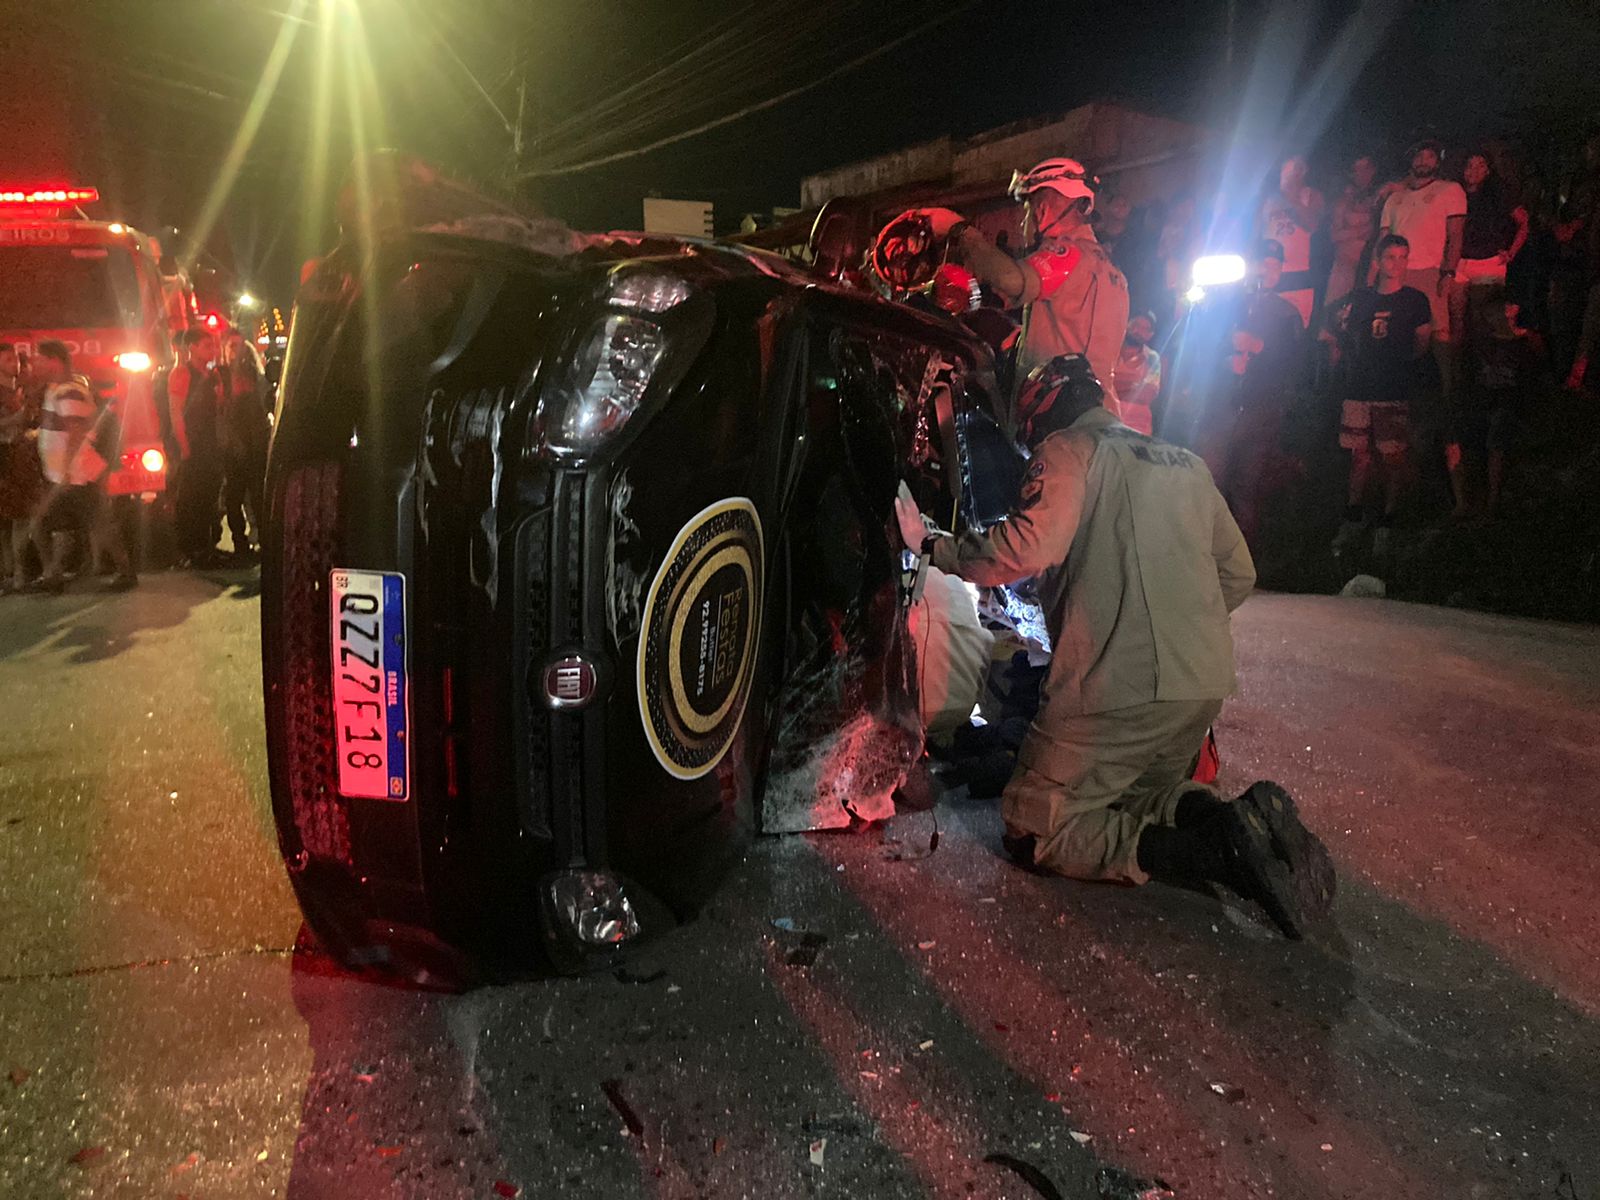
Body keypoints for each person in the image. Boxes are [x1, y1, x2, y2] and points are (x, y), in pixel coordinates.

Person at [895, 353, 1334, 939]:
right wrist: (1183, 629)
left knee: (1033, 828)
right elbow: (1239, 575)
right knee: (1136, 796)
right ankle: (1237, 822)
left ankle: (1217, 856)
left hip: (1114, 692)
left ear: (1040, 415)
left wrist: (931, 545)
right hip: (1200, 689)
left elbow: (1019, 551)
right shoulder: (1187, 462)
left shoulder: (1069, 453)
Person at [899, 158, 1132, 407]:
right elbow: (1070, 334)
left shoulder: (1068, 253)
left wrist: (958, 229)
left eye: (1028, 210)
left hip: (1059, 419)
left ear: (1042, 210)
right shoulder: (1109, 267)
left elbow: (1010, 279)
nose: (1023, 222)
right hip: (1096, 410)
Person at [1195, 240, 1304, 546]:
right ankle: (1201, 555)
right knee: (1209, 482)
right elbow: (1199, 348)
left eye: (1274, 265)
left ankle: (1239, 565)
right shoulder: (1226, 304)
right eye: (1262, 263)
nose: (1267, 270)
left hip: (1261, 411)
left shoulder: (1287, 314)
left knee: (1247, 489)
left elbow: (1294, 364)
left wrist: (1261, 349)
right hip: (1221, 409)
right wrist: (1224, 357)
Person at [1333, 235, 1433, 556]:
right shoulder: (1360, 298)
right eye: (1390, 257)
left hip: (1393, 389)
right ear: (1378, 260)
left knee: (1393, 457)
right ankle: (1353, 517)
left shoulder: (1415, 300)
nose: (1397, 264)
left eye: (1403, 257)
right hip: (1360, 389)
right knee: (1358, 456)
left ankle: (1387, 522)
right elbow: (1346, 334)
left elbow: (1421, 346)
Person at [29, 341, 135, 592]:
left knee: (47, 522)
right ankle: (56, 574)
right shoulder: (58, 389)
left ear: (54, 360)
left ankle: (122, 571)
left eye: (39, 359)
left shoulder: (70, 391)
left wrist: (65, 470)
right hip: (66, 475)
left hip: (75, 475)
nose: (35, 364)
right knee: (86, 522)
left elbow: (76, 430)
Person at [1376, 140, 1467, 390]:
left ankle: (1448, 388)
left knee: (1438, 332)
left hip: (1429, 269)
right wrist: (1375, 273)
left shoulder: (1450, 190)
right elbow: (1383, 239)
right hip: (1396, 271)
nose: (1423, 161)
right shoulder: (1395, 197)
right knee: (1396, 329)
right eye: (1418, 156)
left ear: (1437, 161)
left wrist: (1448, 272)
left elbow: (1456, 235)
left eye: (1429, 156)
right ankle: (1397, 384)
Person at [1446, 300, 1537, 519]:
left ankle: (1492, 501)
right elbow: (1468, 376)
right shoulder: (1480, 342)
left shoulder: (1526, 340)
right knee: (1453, 437)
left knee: (1498, 433)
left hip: (1508, 401)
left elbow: (1531, 375)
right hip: (1480, 401)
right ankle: (1462, 503)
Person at [167, 328, 226, 568]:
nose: (211, 350)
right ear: (191, 347)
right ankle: (191, 551)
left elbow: (219, 409)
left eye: (213, 346)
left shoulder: (212, 375)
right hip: (193, 443)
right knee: (191, 500)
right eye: (206, 346)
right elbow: (176, 413)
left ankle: (207, 547)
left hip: (211, 444)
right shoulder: (182, 374)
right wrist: (184, 447)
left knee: (209, 497)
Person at [218, 331, 270, 560]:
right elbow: (220, 413)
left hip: (256, 441)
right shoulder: (220, 375)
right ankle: (240, 542)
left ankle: (263, 540)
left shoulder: (256, 374)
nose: (235, 350)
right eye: (231, 346)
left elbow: (265, 405)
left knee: (259, 494)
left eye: (238, 346)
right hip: (234, 444)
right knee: (234, 497)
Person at [0, 344, 47, 593]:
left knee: (21, 519)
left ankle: (18, 573)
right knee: (14, 521)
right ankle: (13, 574)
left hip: (23, 461)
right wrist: (19, 419)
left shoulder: (20, 391)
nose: (14, 364)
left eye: (15, 359)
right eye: (7, 359)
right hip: (6, 462)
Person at [1260, 155, 1325, 327]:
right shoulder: (1269, 199)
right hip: (1271, 273)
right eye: (1285, 171)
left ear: (1302, 173)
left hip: (1299, 277)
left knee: (1295, 329)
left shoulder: (1311, 195)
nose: (1288, 177)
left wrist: (1291, 197)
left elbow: (1312, 224)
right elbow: (1258, 233)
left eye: (1294, 172)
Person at [1327, 153, 1381, 305]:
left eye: (1366, 168)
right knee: (1336, 309)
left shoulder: (1380, 196)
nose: (1362, 174)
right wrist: (1360, 231)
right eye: (1357, 169)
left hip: (1370, 266)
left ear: (1373, 170)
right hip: (1344, 265)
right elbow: (1333, 235)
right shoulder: (1343, 201)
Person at [1111, 311, 1162, 436]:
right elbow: (1098, 384)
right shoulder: (1109, 349)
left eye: (1145, 329)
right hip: (1106, 420)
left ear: (1150, 335)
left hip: (1138, 427)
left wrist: (1113, 384)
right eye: (1136, 325)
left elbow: (1148, 394)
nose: (1138, 331)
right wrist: (1134, 386)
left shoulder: (1152, 357)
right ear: (1126, 324)